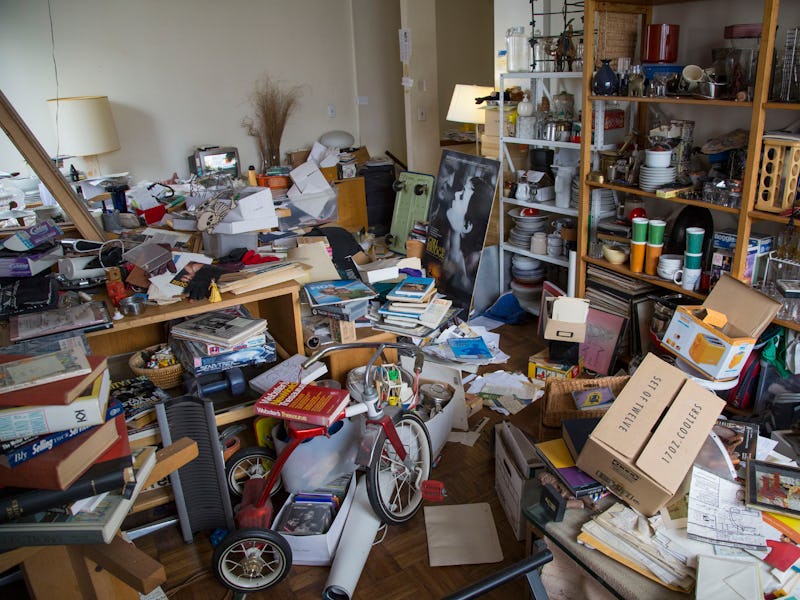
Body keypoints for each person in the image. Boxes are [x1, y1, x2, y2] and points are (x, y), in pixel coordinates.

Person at [440, 176, 494, 306]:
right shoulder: (444, 231)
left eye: (463, 194)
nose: (457, 193)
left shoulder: (474, 264)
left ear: (467, 226)